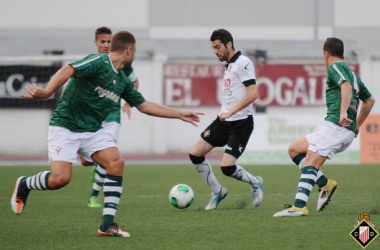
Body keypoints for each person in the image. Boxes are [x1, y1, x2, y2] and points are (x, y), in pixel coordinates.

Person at [11, 31, 203, 237]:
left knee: (116, 163)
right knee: (60, 179)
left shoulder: (122, 80)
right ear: (129, 50)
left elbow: (144, 105)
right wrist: (48, 91)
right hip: (65, 126)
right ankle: (24, 184)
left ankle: (106, 225)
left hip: (93, 131)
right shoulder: (99, 62)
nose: (134, 55)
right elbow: (68, 69)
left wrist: (179, 113)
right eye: (135, 51)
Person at [273, 37, 375, 217]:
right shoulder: (354, 74)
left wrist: (343, 112)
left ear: (326, 53)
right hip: (343, 129)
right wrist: (357, 125)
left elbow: (346, 85)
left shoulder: (334, 67)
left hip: (336, 125)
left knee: (311, 159)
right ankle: (325, 184)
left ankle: (299, 207)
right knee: (295, 150)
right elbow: (369, 101)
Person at [189, 29, 263, 210]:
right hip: (223, 121)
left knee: (227, 168)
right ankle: (217, 191)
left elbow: (253, 94)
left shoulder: (243, 62)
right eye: (213, 48)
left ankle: (255, 183)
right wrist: (226, 114)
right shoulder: (229, 65)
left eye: (218, 47)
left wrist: (230, 113)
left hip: (241, 123)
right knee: (195, 154)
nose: (215, 51)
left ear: (229, 44)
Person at [83, 26, 141, 209]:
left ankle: (93, 196)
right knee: (86, 161)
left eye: (109, 41)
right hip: (92, 116)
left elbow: (135, 82)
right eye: (103, 41)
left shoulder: (124, 64)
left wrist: (127, 102)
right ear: (96, 42)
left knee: (110, 156)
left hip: (112, 116)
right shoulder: (95, 63)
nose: (106, 45)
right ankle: (93, 161)